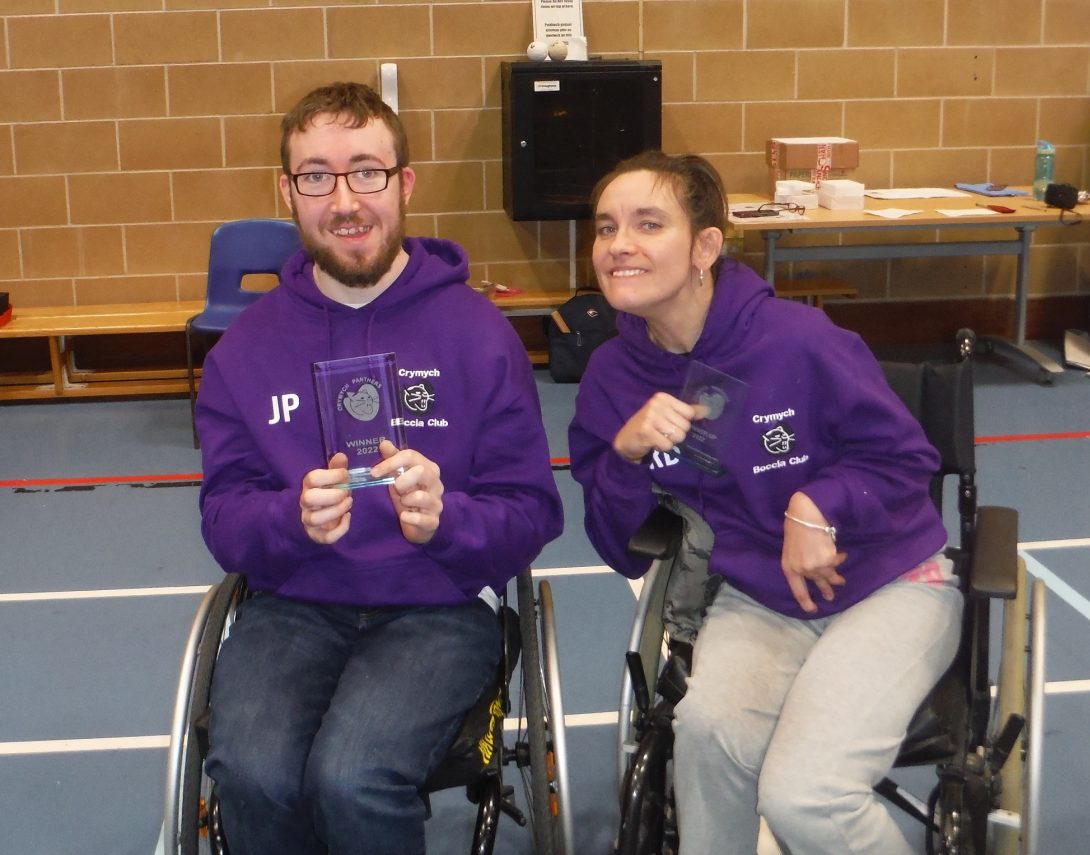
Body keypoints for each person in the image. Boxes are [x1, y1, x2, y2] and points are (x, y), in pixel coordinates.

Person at [195, 81, 563, 855]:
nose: (344, 200)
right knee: (253, 771)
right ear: (287, 192)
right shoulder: (244, 351)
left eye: (366, 171)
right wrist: (288, 518)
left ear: (404, 184)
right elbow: (225, 518)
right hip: (293, 602)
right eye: (316, 176)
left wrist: (448, 520)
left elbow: (531, 509)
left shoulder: (479, 335)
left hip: (438, 605)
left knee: (352, 775)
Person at [568, 151, 963, 854]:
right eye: (606, 228)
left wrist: (817, 504)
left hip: (891, 585)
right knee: (706, 735)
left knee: (805, 796)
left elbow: (907, 459)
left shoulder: (799, 340)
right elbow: (619, 547)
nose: (618, 244)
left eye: (648, 224)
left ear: (705, 247)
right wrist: (624, 456)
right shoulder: (612, 376)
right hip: (760, 598)